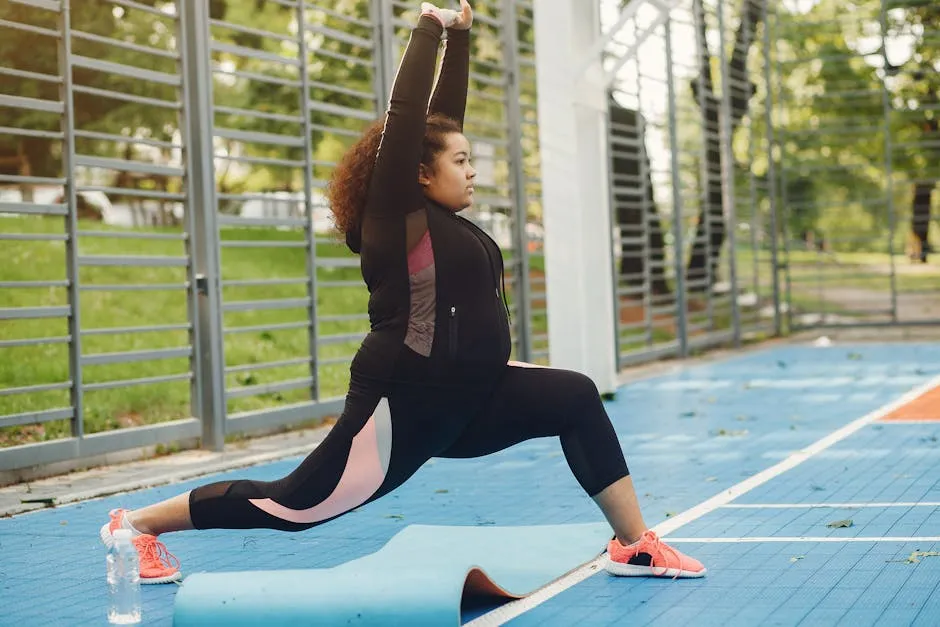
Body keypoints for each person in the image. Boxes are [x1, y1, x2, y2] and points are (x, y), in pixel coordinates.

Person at [99, 0, 705, 585]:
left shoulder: (445, 219)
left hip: (472, 397)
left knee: (575, 396)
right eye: (461, 161)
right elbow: (411, 114)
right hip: (406, 406)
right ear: (419, 172)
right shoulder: (395, 218)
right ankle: (136, 524)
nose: (472, 170)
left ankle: (633, 545)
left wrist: (463, 36)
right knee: (294, 507)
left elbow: (439, 123)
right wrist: (428, 30)